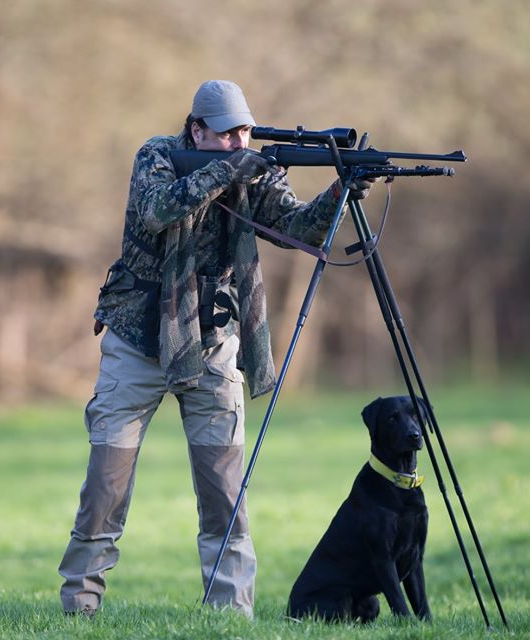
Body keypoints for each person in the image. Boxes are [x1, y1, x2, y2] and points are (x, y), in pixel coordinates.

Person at [57, 80, 375, 618]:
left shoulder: (251, 172)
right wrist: (230, 167)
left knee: (225, 495)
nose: (237, 143)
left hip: (210, 345)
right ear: (196, 129)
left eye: (244, 133)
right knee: (104, 489)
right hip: (137, 343)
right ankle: (79, 607)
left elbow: (299, 227)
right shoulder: (157, 156)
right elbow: (159, 211)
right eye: (226, 135)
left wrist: (341, 192)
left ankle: (230, 615)